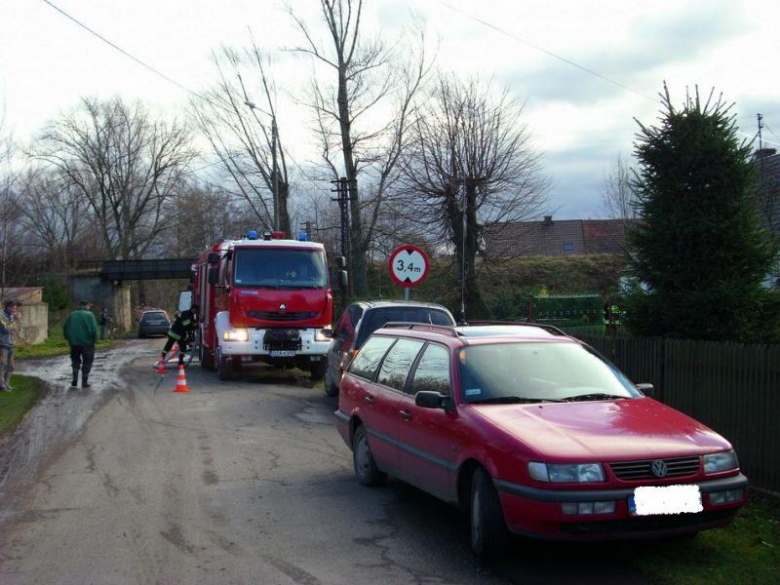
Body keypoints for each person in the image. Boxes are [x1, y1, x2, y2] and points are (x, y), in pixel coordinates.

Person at [63, 300, 99, 388]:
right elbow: (93, 329)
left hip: (74, 343)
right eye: (89, 305)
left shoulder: (72, 315)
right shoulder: (90, 315)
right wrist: (94, 339)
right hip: (87, 343)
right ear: (86, 306)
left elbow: (65, 327)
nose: (89, 307)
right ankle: (84, 382)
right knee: (87, 361)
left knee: (75, 360)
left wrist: (69, 338)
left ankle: (75, 379)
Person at [0, 301, 21, 392]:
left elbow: (15, 329)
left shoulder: (12, 317)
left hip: (10, 344)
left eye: (15, 308)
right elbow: (6, 330)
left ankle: (7, 384)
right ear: (7, 307)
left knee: (11, 366)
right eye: (12, 308)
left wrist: (17, 321)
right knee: (2, 366)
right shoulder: (1, 316)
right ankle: (2, 386)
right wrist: (15, 321)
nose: (14, 310)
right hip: (2, 344)